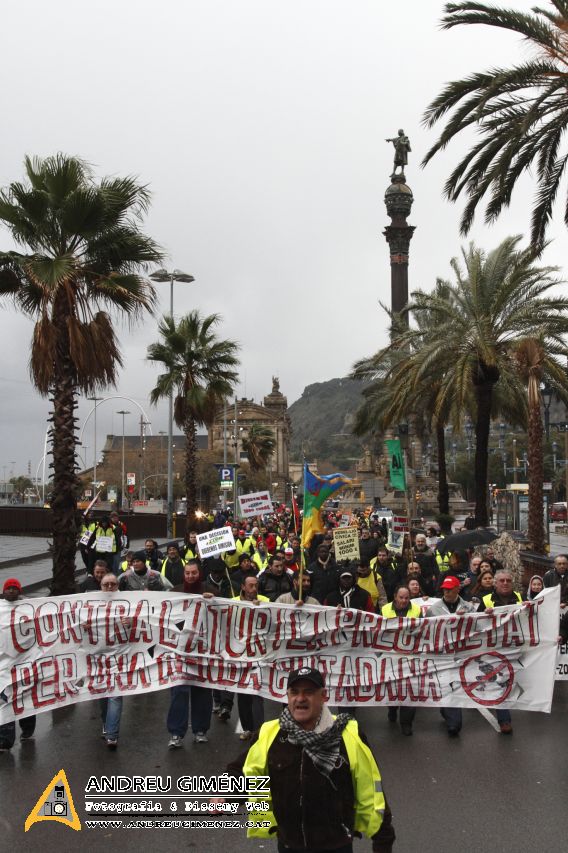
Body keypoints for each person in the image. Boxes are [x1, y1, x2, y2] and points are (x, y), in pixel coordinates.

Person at [226, 667, 395, 852]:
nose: (300, 698)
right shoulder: (270, 734)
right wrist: (222, 795)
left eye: (309, 692)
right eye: (294, 692)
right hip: (289, 845)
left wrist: (383, 843)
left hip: (336, 846)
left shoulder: (349, 736)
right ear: (288, 697)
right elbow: (243, 771)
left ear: (323, 696)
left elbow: (373, 792)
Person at [425, 576, 477, 736]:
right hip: (442, 655)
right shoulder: (433, 609)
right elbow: (425, 630)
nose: (446, 592)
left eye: (449, 589)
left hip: (462, 654)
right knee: (447, 684)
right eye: (444, 589)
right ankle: (453, 720)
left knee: (457, 685)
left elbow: (478, 628)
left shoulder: (469, 607)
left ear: (457, 589)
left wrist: (465, 619)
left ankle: (450, 716)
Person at [477, 570, 524, 734]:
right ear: (495, 583)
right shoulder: (486, 600)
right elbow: (475, 624)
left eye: (508, 580)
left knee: (515, 680)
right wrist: (484, 614)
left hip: (515, 647)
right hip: (494, 649)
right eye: (502, 580)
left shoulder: (519, 598)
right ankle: (504, 720)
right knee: (500, 682)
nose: (505, 583)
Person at [0, 579, 37, 751]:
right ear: (4, 591)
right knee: (5, 701)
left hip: (24, 662)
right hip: (4, 664)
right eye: (9, 588)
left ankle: (27, 730)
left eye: (15, 588)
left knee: (25, 698)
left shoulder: (31, 608)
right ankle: (5, 740)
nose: (12, 591)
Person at [381, 586, 421, 735]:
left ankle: (406, 723)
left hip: (410, 655)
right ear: (395, 597)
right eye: (401, 597)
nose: (404, 601)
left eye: (406, 598)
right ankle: (392, 708)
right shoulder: (385, 609)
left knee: (410, 689)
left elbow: (424, 628)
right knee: (392, 688)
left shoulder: (417, 610)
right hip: (390, 656)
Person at [98, 573, 125, 748]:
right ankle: (107, 724)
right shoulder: (90, 605)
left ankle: (112, 734)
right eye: (106, 585)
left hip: (120, 657)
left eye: (113, 584)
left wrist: (131, 622)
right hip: (98, 659)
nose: (109, 588)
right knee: (102, 695)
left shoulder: (128, 604)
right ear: (100, 586)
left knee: (115, 695)